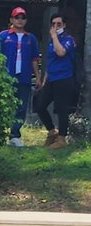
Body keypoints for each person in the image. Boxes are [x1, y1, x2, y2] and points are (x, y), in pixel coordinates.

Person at [0, 6, 41, 147]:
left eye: (23, 18)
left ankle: (14, 135)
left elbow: (34, 59)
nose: (20, 20)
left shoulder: (31, 38)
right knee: (3, 106)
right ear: (11, 19)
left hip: (24, 77)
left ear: (26, 21)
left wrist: (38, 77)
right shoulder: (4, 36)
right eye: (17, 17)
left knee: (21, 108)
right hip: (6, 77)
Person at [35, 13, 79, 149]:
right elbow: (51, 60)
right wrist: (45, 78)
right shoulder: (51, 42)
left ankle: (61, 139)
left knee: (61, 109)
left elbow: (61, 53)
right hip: (51, 78)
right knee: (40, 106)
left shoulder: (68, 39)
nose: (55, 27)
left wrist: (54, 36)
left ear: (64, 25)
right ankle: (52, 131)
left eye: (58, 24)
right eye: (53, 24)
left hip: (64, 78)